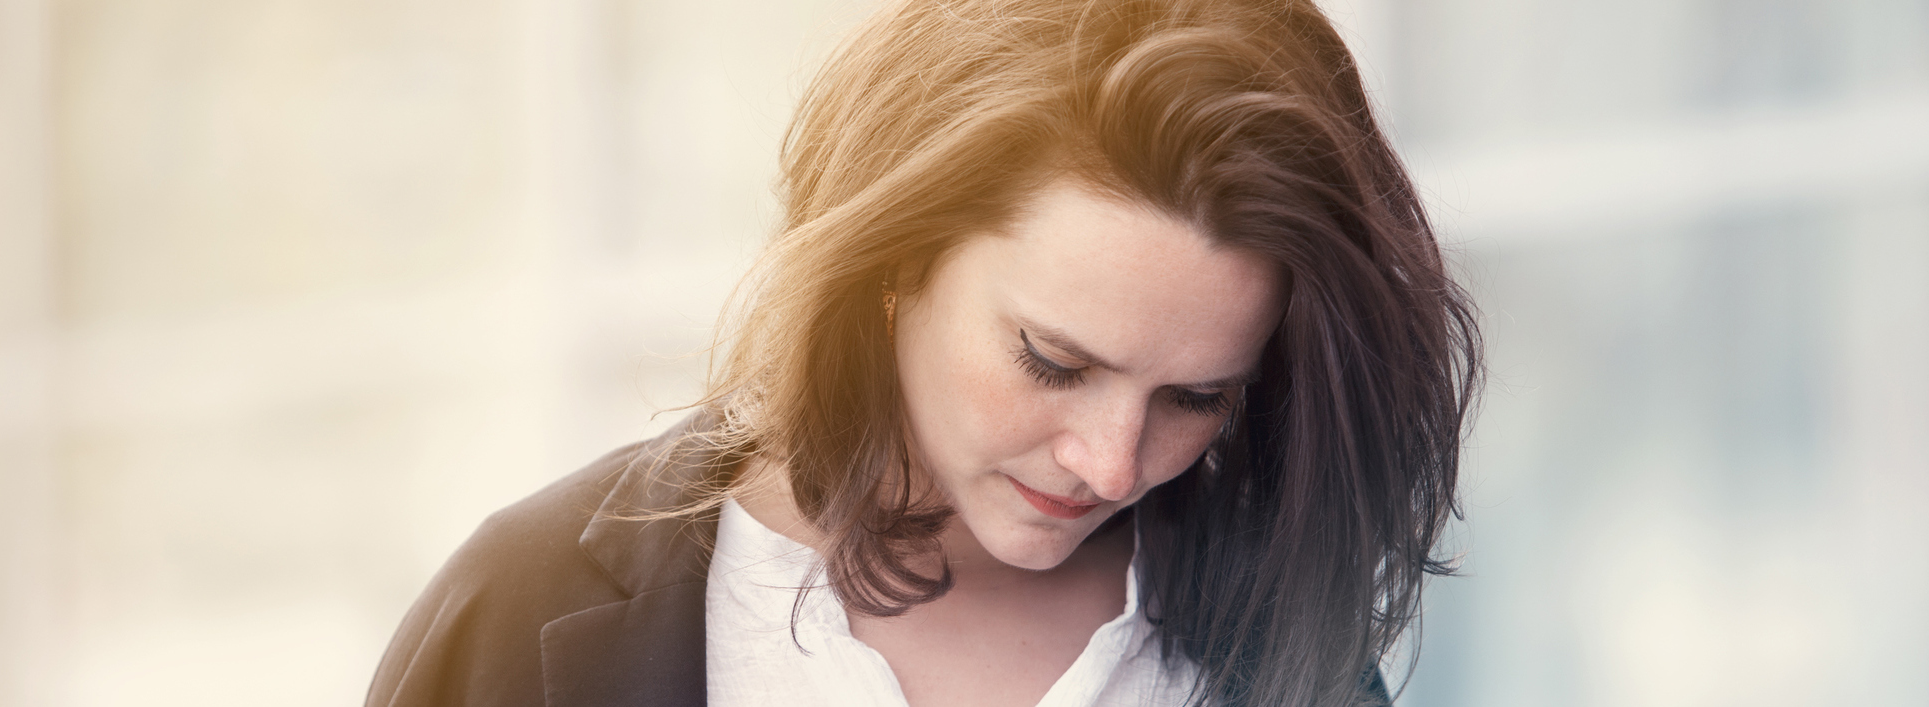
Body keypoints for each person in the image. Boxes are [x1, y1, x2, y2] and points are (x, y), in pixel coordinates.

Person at [364, 0, 1480, 705]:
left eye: (1194, 397)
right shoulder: (527, 609)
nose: (1110, 462)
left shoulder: (1280, 652)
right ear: (896, 259)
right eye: (1052, 359)